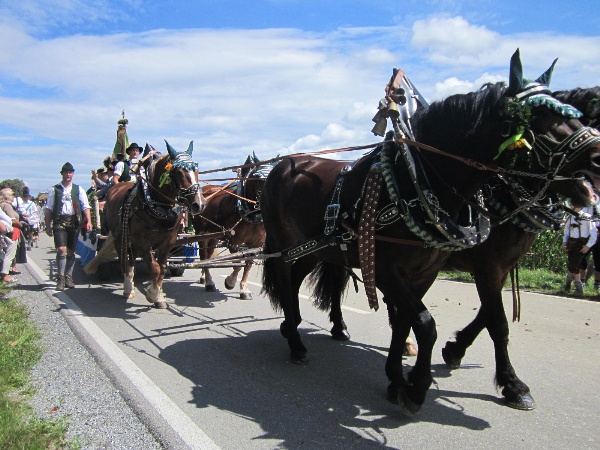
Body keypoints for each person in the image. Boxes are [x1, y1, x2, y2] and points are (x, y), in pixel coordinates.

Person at [44, 162, 92, 291]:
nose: (68, 175)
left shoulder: (78, 189)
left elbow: (86, 206)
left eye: (70, 172)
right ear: (62, 174)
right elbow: (48, 209)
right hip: (60, 221)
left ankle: (68, 277)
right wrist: (47, 224)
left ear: (73, 174)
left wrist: (88, 221)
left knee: (71, 250)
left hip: (74, 222)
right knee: (61, 249)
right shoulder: (55, 189)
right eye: (66, 172)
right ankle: (60, 277)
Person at [561, 205, 598, 296]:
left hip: (581, 244)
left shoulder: (587, 218)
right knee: (573, 264)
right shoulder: (570, 217)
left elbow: (593, 234)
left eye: (573, 205)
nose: (571, 207)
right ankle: (570, 285)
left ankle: (576, 286)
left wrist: (588, 246)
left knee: (574, 264)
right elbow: (566, 231)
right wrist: (564, 242)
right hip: (571, 243)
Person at [0, 188, 24, 276]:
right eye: (12, 194)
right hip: (12, 230)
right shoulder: (7, 206)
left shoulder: (1, 205)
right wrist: (21, 225)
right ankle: (5, 274)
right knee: (10, 253)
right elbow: (12, 220)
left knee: (4, 252)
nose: (14, 196)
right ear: (8, 196)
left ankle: (6, 271)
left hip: (5, 231)